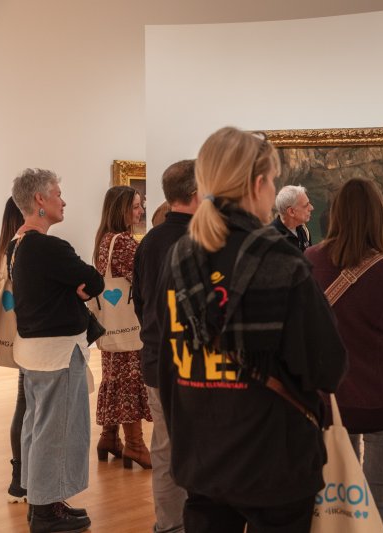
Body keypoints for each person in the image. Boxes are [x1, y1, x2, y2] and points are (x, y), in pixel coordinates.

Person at [158, 126, 348, 532]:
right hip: (272, 460)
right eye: (273, 180)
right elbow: (326, 367)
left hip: (201, 457)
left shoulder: (179, 257)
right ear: (259, 184)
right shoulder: (281, 261)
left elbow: (167, 361)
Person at [305, 178, 383, 529]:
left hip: (327, 399)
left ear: (335, 215)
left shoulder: (309, 261)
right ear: (378, 218)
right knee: (378, 495)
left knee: (333, 495)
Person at [9, 168, 104, 532]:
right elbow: (93, 281)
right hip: (59, 353)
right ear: (40, 201)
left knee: (38, 428)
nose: (63, 201)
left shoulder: (16, 246)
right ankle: (47, 512)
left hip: (33, 352)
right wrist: (76, 289)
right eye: (58, 194)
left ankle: (42, 501)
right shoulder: (49, 247)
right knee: (56, 432)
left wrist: (70, 289)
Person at [132, 160, 197, 533]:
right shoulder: (208, 239)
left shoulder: (150, 240)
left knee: (165, 447)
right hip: (196, 364)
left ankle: (170, 525)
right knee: (203, 447)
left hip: (157, 359)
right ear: (195, 193)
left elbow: (141, 300)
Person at [93, 185, 152, 469]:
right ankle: (136, 446)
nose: (140, 211)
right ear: (121, 209)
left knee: (114, 378)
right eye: (135, 206)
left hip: (112, 326)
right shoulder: (126, 244)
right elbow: (145, 281)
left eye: (141, 205)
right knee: (129, 382)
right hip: (129, 327)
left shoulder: (104, 240)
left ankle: (109, 438)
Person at [0, 197, 26, 503]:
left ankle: (20, 476)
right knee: (28, 404)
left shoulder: (4, 249)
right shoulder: (20, 248)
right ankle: (21, 477)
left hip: (19, 337)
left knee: (24, 402)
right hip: (29, 338)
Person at [271, 184, 313, 251]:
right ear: (291, 212)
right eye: (306, 205)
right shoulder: (272, 238)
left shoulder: (304, 230)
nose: (311, 208)